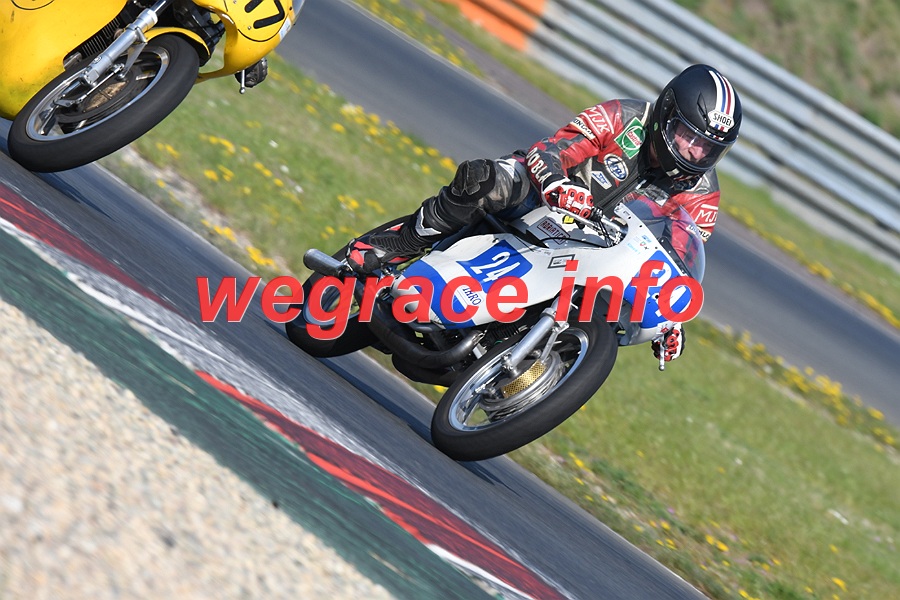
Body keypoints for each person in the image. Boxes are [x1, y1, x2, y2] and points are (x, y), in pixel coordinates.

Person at [346, 64, 742, 365]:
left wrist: (672, 320)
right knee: (487, 180)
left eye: (708, 148)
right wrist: (557, 185)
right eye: (689, 136)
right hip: (543, 200)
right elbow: (550, 149)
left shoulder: (702, 195)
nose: (695, 153)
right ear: (666, 114)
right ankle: (394, 247)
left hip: (594, 253)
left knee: (606, 314)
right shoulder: (623, 117)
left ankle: (526, 373)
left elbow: (675, 263)